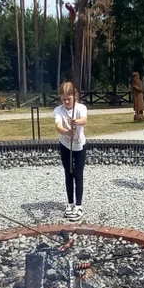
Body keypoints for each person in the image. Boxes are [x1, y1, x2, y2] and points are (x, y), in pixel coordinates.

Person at [53, 81, 88, 221]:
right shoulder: (58, 110)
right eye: (63, 99)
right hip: (65, 145)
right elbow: (58, 126)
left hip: (79, 146)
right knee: (68, 174)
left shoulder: (81, 108)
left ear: (75, 96)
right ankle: (70, 203)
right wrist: (67, 131)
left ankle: (79, 206)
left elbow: (84, 120)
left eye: (69, 99)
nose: (66, 102)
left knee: (78, 174)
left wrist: (77, 122)